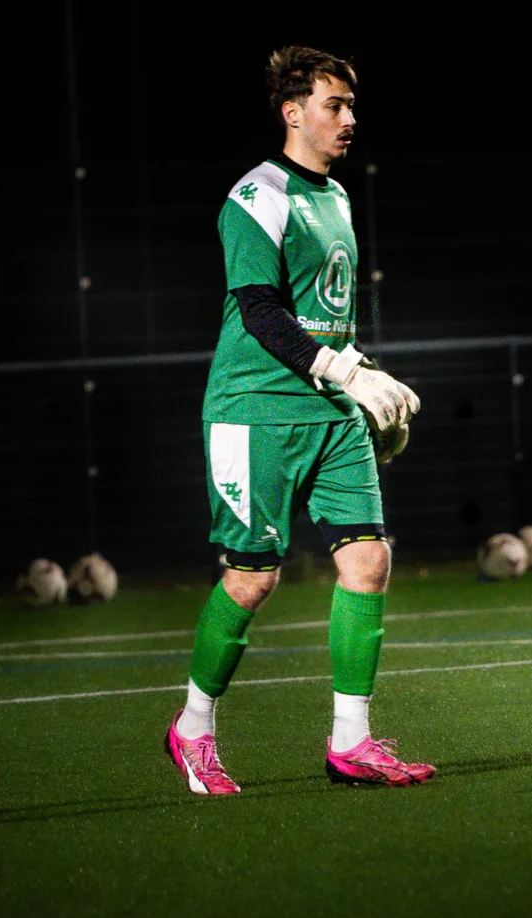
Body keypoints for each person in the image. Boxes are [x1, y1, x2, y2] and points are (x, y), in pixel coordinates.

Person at [164, 45, 434, 794]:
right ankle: (192, 729)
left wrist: (366, 371)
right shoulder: (256, 195)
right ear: (293, 112)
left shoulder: (338, 197)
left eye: (351, 106)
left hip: (329, 410)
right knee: (253, 579)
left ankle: (351, 742)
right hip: (255, 412)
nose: (348, 119)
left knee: (368, 561)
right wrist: (346, 372)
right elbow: (260, 313)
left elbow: (326, 318)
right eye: (333, 105)